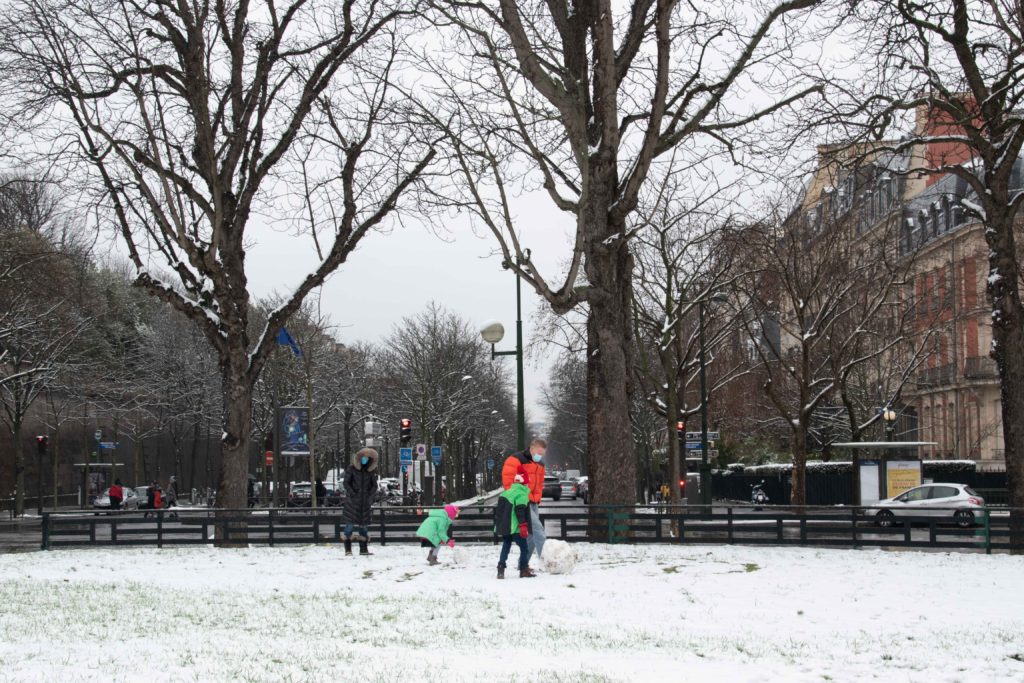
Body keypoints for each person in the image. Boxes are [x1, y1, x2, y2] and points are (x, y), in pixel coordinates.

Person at [501, 438, 547, 567]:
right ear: (531, 448)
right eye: (538, 453)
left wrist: (537, 499)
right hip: (521, 502)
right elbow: (508, 483)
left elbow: (539, 484)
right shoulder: (515, 460)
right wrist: (519, 500)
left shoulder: (540, 464)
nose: (540, 456)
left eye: (542, 454)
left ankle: (523, 564)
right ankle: (547, 561)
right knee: (538, 531)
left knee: (531, 535)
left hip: (533, 503)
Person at [494, 466, 534, 579]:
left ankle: (501, 569)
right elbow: (520, 510)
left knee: (506, 545)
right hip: (516, 527)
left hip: (505, 527)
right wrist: (523, 525)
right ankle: (524, 570)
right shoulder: (522, 494)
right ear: (524, 483)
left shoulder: (505, 493)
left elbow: (500, 512)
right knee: (524, 548)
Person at [342, 447, 379, 556]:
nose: (365, 460)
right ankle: (348, 550)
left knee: (364, 527)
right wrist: (353, 493)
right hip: (352, 503)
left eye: (368, 458)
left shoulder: (370, 471)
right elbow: (346, 483)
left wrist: (369, 495)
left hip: (365, 504)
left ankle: (363, 550)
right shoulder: (352, 469)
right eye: (364, 458)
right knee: (349, 526)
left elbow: (374, 485)